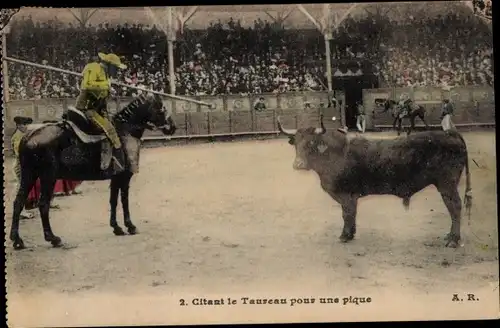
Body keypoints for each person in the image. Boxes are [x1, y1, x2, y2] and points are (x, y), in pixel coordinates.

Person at [75, 52, 127, 170]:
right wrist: (106, 85)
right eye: (116, 68)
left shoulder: (106, 74)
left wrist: (109, 89)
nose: (117, 72)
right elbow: (87, 85)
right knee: (109, 130)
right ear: (110, 66)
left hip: (98, 110)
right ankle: (104, 165)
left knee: (114, 125)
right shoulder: (93, 68)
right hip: (87, 109)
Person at [11, 116, 35, 219]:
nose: (25, 126)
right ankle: (20, 211)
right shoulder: (18, 136)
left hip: (24, 164)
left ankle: (22, 209)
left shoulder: (23, 135)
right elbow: (19, 153)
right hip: (21, 165)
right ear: (18, 125)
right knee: (21, 188)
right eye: (23, 124)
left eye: (26, 124)